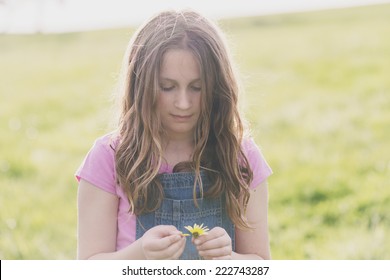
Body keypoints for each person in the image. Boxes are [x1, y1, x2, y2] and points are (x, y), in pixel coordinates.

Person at [75, 9, 272, 260]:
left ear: (218, 87)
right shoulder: (109, 158)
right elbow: (88, 266)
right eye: (167, 87)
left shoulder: (242, 157)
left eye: (197, 87)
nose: (183, 103)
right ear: (141, 86)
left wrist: (229, 259)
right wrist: (140, 254)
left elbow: (261, 265)